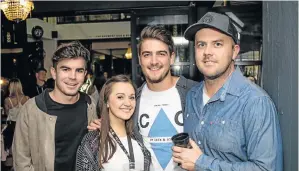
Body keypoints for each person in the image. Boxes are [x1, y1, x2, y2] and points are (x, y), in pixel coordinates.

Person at [172, 12, 283, 171]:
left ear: (234, 51)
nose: (207, 52)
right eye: (201, 44)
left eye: (217, 44)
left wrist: (201, 164)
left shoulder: (255, 102)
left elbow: (266, 169)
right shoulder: (192, 96)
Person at [89, 25, 197, 171]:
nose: (154, 61)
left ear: (171, 57)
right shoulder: (133, 101)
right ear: (140, 59)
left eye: (161, 54)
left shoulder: (194, 92)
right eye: (147, 54)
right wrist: (104, 125)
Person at [12, 41, 98, 171]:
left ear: (85, 75)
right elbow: (21, 161)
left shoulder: (90, 105)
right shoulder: (32, 109)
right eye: (65, 69)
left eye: (79, 70)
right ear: (53, 72)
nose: (73, 77)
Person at [76, 75, 151, 171]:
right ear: (107, 101)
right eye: (120, 97)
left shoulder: (139, 137)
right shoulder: (93, 141)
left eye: (131, 98)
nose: (128, 103)